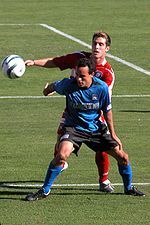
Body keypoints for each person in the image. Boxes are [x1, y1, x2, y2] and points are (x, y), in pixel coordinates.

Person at [25, 58, 145, 201]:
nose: (79, 79)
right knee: (61, 155)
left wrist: (113, 134)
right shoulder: (68, 85)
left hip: (96, 130)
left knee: (123, 157)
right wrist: (46, 91)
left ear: (92, 74)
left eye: (82, 76)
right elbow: (52, 86)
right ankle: (44, 190)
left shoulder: (101, 88)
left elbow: (107, 111)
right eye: (77, 75)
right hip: (73, 129)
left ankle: (128, 188)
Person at [25, 31, 115, 192]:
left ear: (107, 48)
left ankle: (104, 180)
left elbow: (102, 99)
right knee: (60, 141)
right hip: (73, 110)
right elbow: (56, 61)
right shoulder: (79, 59)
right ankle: (59, 165)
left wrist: (63, 89)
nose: (96, 46)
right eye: (95, 43)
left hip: (95, 114)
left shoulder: (107, 73)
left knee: (102, 147)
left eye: (101, 44)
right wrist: (34, 62)